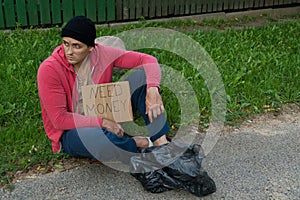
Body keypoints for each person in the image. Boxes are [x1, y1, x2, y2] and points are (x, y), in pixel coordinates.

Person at [37, 16, 170, 162]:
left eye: (77, 46)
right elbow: (59, 119)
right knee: (96, 139)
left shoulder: (103, 54)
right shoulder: (49, 69)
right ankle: (139, 143)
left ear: (90, 48)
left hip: (106, 111)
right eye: (66, 44)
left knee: (140, 77)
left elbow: (148, 60)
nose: (69, 51)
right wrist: (103, 123)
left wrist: (153, 90)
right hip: (74, 131)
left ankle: (160, 141)